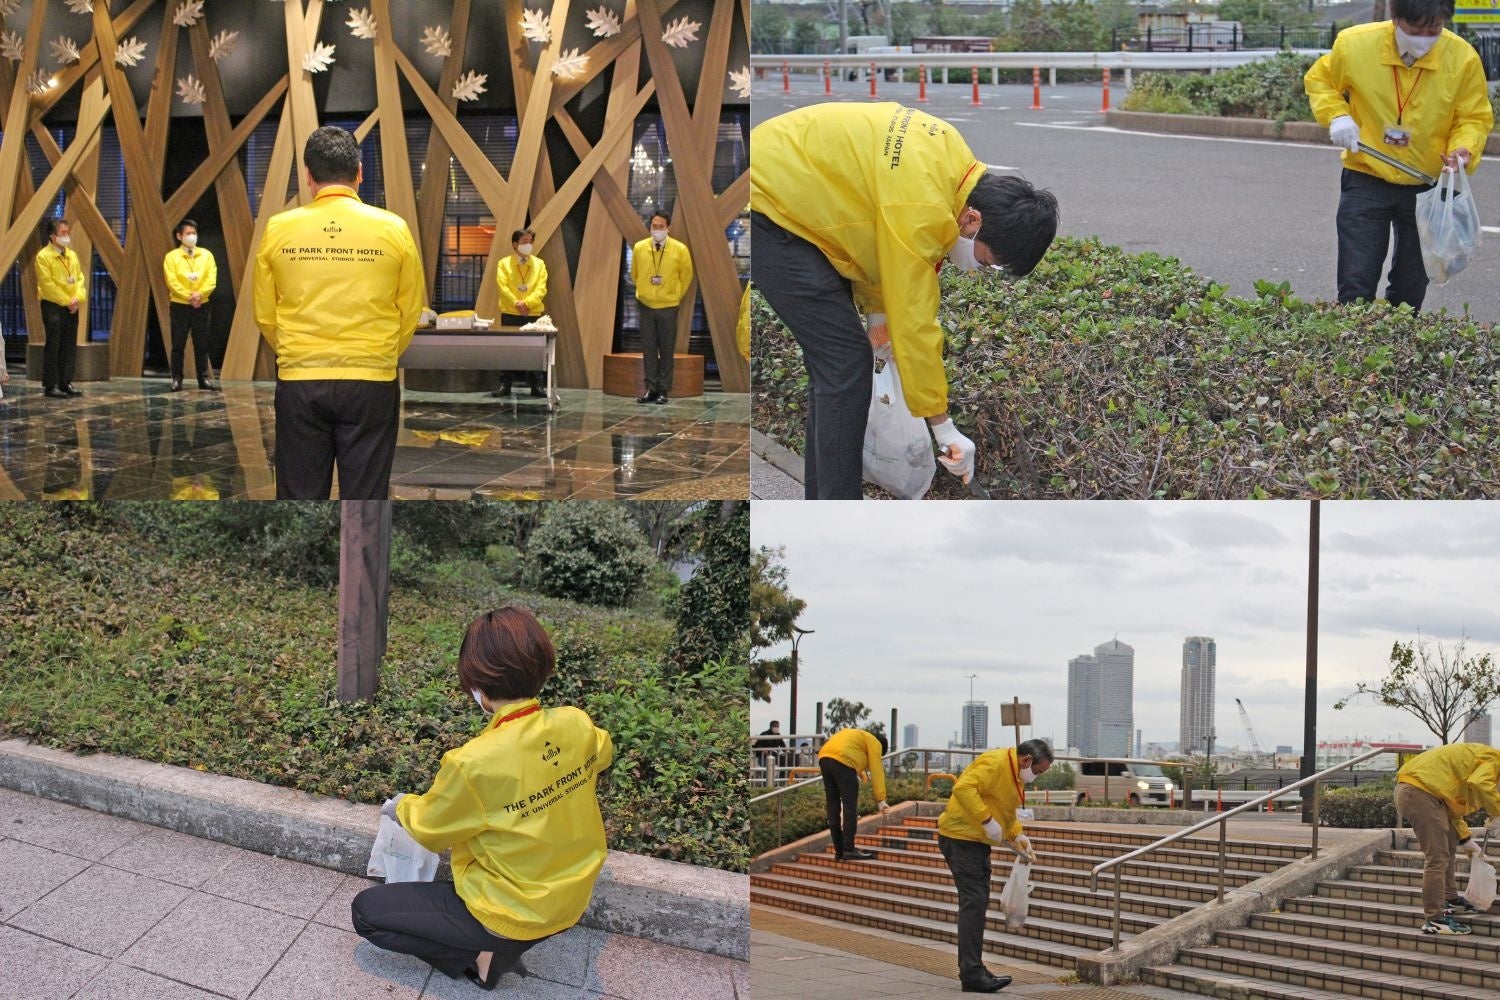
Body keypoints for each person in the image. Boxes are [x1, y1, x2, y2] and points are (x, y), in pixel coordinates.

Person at [750, 102, 1058, 499]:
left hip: (797, 202)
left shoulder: (950, 160)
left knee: (836, 369)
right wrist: (943, 427)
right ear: (973, 221)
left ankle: (824, 501)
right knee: (845, 363)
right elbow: (915, 321)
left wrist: (878, 318)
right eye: (987, 262)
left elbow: (879, 247)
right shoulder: (924, 208)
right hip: (768, 206)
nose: (978, 271)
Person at [352, 605, 615, 990]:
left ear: (478, 685)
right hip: (572, 900)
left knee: (367, 913)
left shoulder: (473, 762)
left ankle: (482, 956)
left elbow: (429, 829)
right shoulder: (575, 722)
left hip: (509, 911)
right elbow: (602, 753)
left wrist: (400, 806)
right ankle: (495, 947)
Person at [254, 126, 424, 500]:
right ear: (360, 172)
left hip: (300, 378)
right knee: (366, 502)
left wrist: (293, 352)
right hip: (371, 379)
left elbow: (265, 313)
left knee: (298, 496)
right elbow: (411, 309)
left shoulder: (279, 229)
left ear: (309, 177)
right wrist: (381, 354)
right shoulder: (393, 229)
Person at [1305, 0, 1492, 311]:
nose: (1424, 39)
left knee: (1410, 289)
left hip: (1426, 183)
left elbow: (1473, 117)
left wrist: (1465, 148)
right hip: (1367, 175)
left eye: (1434, 30)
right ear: (1395, 16)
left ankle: (1396, 350)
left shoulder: (1462, 58)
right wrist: (1336, 115)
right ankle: (1353, 349)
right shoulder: (1355, 45)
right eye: (1416, 30)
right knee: (1356, 284)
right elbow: (1320, 80)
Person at [936, 737, 1054, 993]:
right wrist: (987, 820)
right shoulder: (996, 762)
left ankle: (974, 968)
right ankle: (972, 973)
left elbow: (1006, 810)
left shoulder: (1015, 775)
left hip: (973, 841)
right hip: (960, 837)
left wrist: (1017, 835)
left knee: (976, 901)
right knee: (974, 902)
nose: (1037, 776)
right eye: (1038, 771)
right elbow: (963, 789)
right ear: (1027, 760)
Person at [1394, 741, 1500, 935]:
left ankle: (1450, 898)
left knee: (1449, 845)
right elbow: (1481, 783)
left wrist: (1466, 840)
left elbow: (1453, 809)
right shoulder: (1494, 761)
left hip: (1425, 793)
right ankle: (1434, 919)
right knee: (1437, 857)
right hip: (1419, 793)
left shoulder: (1479, 761)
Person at [629, 212, 693, 404]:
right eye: (654, 226)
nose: (657, 229)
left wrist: (674, 295)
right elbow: (635, 274)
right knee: (648, 348)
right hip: (646, 305)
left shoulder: (680, 249)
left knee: (666, 349)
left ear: (668, 228)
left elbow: (686, 276)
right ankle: (651, 388)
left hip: (669, 306)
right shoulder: (640, 248)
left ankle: (664, 389)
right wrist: (645, 291)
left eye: (661, 226)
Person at [817, 727, 890, 862]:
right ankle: (849, 849)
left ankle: (839, 851)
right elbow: (876, 769)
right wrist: (880, 799)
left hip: (824, 757)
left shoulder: (858, 735)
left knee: (833, 806)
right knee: (850, 806)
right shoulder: (875, 743)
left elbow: (851, 755)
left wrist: (860, 773)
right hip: (842, 761)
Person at [163, 219, 219, 392]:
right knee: (178, 344)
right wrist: (189, 296)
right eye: (188, 233)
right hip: (180, 305)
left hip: (202, 305)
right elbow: (172, 281)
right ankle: (176, 379)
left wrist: (200, 295)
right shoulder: (172, 257)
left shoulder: (206, 255)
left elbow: (211, 278)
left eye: (194, 233)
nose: (192, 236)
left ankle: (203, 379)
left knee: (201, 344)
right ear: (179, 236)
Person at [35, 218, 87, 399]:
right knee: (54, 343)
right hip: (53, 306)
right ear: (52, 236)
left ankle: (66, 382)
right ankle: (51, 384)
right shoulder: (43, 256)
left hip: (71, 305)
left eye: (67, 233)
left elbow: (79, 278)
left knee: (69, 344)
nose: (66, 236)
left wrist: (77, 298)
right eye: (62, 233)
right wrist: (66, 300)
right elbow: (47, 285)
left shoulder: (71, 255)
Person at [492, 227, 547, 398]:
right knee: (507, 349)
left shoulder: (539, 264)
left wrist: (527, 303)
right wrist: (517, 303)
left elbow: (541, 288)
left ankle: (537, 385)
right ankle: (505, 384)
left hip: (532, 313)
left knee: (535, 350)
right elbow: (503, 287)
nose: (528, 245)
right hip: (511, 313)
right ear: (515, 244)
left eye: (530, 242)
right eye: (524, 242)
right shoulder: (504, 263)